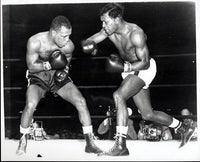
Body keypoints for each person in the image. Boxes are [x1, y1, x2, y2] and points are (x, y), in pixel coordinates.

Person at [81, 3, 196, 156]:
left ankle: (121, 145)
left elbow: (145, 62)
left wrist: (124, 68)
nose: (103, 25)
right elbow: (89, 41)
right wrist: (91, 46)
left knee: (118, 95)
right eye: (102, 22)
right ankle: (183, 128)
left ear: (117, 18)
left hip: (142, 68)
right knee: (147, 114)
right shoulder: (108, 30)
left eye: (106, 21)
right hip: (130, 71)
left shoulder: (136, 33)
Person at [16, 15, 103, 155]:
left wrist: (64, 70)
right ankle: (23, 140)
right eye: (63, 36)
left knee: (81, 101)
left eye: (69, 35)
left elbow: (67, 61)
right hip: (38, 76)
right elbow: (31, 66)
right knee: (31, 104)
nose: (67, 39)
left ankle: (90, 143)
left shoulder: (69, 45)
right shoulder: (35, 41)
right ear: (53, 32)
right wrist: (49, 64)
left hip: (57, 76)